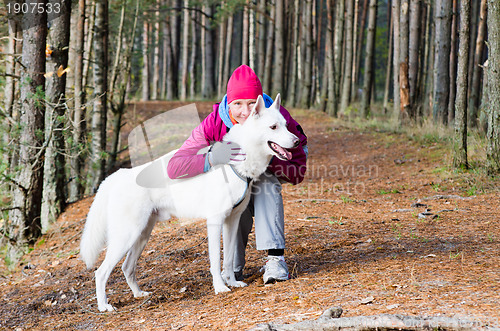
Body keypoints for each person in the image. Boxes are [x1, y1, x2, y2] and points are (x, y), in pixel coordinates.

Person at [167, 65, 308, 283]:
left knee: (265, 183)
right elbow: (175, 166)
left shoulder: (277, 118)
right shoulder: (214, 123)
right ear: (228, 103)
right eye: (238, 104)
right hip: (229, 185)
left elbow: (297, 171)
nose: (246, 111)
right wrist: (212, 158)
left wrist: (263, 160)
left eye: (253, 103)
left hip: (264, 178)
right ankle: (232, 268)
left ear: (260, 103)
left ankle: (275, 260)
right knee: (234, 191)